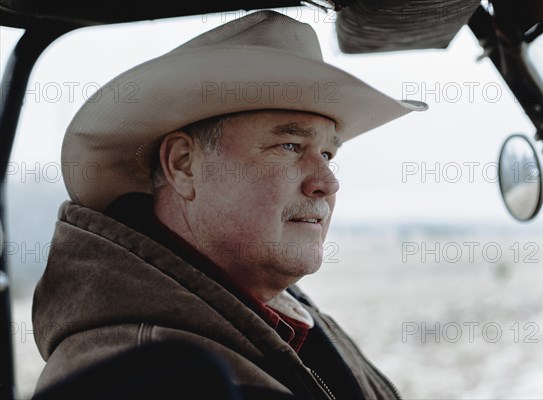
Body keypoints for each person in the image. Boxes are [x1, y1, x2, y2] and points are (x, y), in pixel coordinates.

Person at [32, 10, 426, 399]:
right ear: (183, 165)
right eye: (289, 146)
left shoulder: (268, 311)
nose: (327, 182)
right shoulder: (138, 376)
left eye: (327, 154)